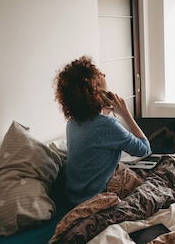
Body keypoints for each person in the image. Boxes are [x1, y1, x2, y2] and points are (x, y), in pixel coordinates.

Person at [53, 56, 150, 207]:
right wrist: (125, 113)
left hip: (73, 198)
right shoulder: (107, 124)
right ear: (97, 94)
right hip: (95, 199)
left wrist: (101, 115)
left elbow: (95, 136)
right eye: (106, 90)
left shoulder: (72, 123)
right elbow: (144, 150)